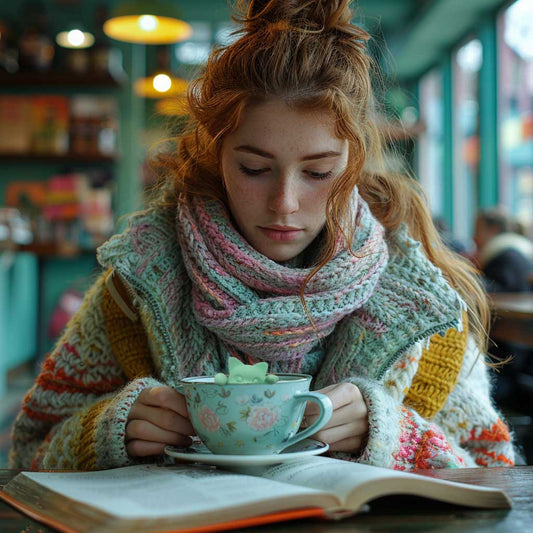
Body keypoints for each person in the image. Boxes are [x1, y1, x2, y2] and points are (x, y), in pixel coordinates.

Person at [10, 0, 514, 471]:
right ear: (217, 155)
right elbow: (29, 451)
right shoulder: (136, 289)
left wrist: (394, 436)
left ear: (354, 163)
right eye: (254, 168)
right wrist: (105, 433)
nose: (284, 203)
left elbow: (496, 473)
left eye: (318, 173)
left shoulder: (421, 311)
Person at [473, 209, 533, 293]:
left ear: (494, 229)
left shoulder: (506, 257)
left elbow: (496, 291)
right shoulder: (514, 250)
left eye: (477, 231)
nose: (474, 237)